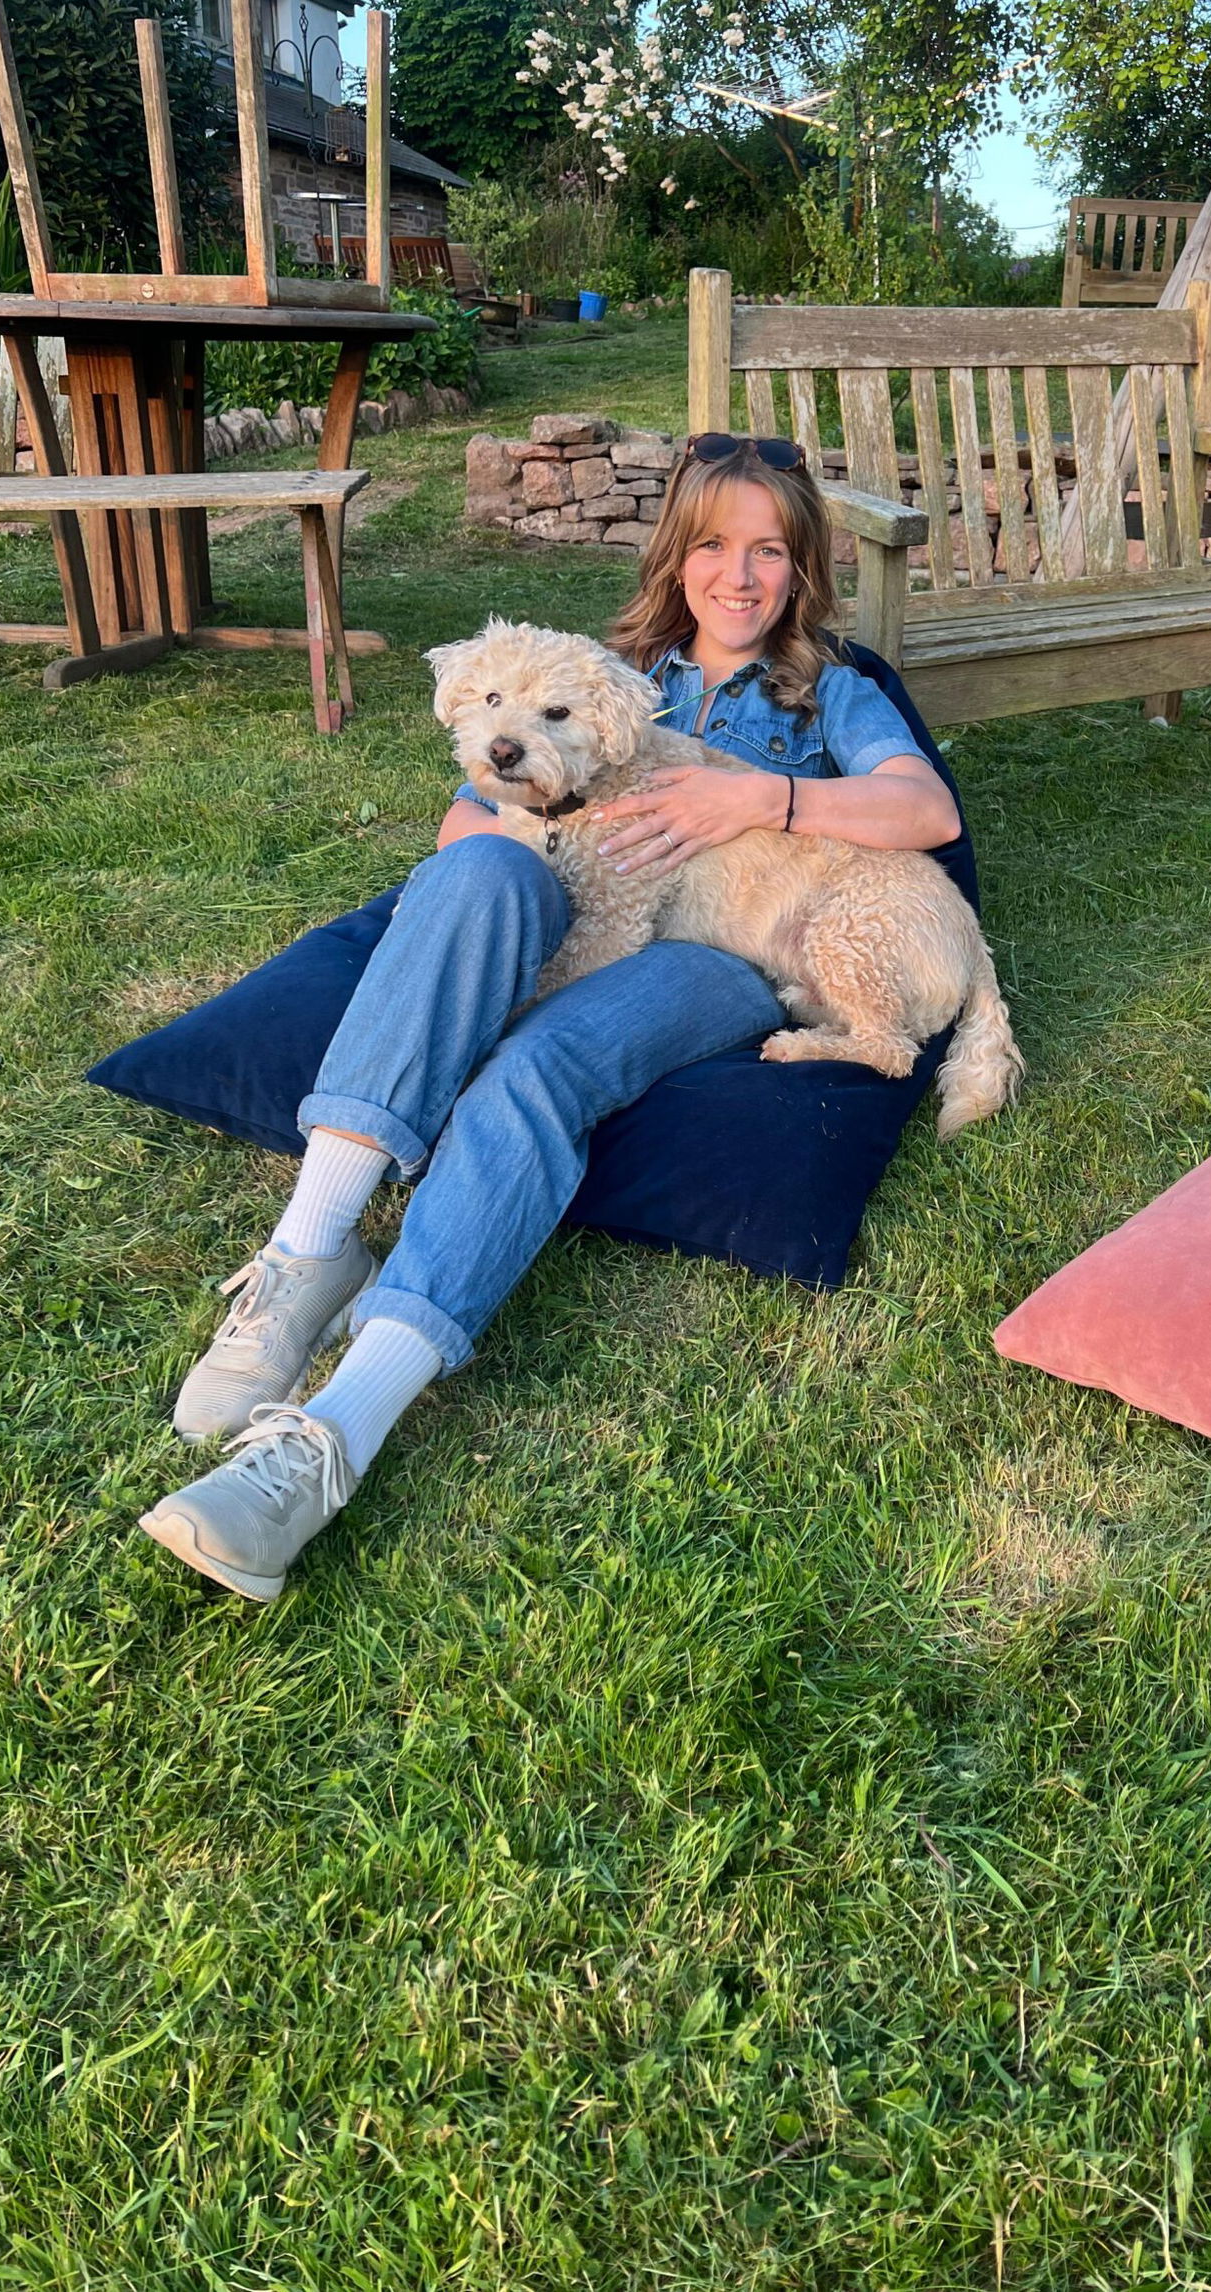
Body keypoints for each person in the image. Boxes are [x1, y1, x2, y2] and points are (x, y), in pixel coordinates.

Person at [139, 434, 961, 1603]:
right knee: (472, 880)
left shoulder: (829, 685)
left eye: (770, 551)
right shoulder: (599, 668)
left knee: (537, 1064)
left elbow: (924, 808)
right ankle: (308, 1250)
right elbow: (463, 825)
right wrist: (501, 848)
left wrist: (759, 792)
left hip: (716, 950)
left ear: (801, 567)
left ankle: (330, 1436)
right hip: (565, 902)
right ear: (677, 557)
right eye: (717, 546)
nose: (740, 576)